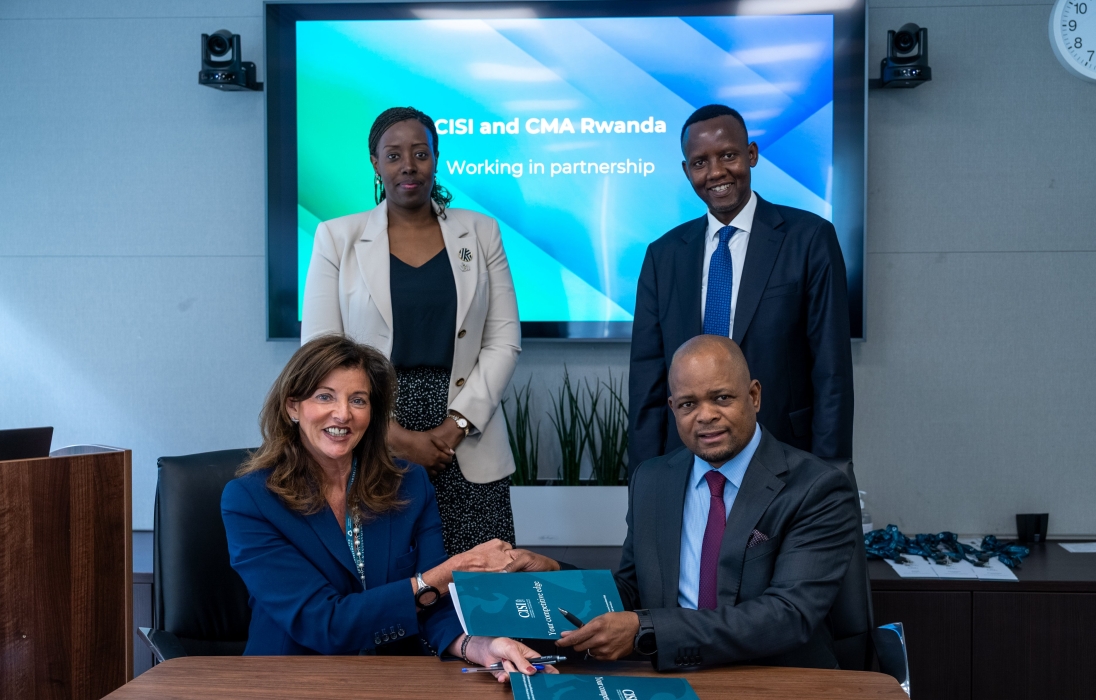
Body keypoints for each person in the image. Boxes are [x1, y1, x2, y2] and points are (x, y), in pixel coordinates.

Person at [515, 336, 858, 670]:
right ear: (673, 408)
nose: (705, 416)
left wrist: (648, 629)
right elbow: (631, 590)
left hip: (773, 678)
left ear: (754, 396)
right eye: (688, 404)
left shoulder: (816, 487)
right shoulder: (652, 480)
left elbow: (788, 616)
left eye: (721, 398)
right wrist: (555, 575)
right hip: (670, 675)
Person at [221, 335, 550, 682]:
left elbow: (433, 603)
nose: (343, 414)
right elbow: (323, 623)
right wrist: (450, 571)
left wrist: (479, 645)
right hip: (293, 680)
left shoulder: (410, 483)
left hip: (396, 677)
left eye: (358, 400)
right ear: (292, 407)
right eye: (324, 396)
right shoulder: (250, 500)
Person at [301, 106, 522, 555]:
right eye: (394, 154)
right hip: (373, 429)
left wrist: (455, 425)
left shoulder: (481, 232)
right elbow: (320, 353)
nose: (408, 165)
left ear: (436, 158)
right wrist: (391, 432)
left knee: (482, 583)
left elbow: (503, 340)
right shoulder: (336, 237)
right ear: (375, 163)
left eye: (420, 153)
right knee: (390, 579)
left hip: (466, 432)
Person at [628, 104, 854, 472]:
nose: (715, 172)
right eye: (700, 162)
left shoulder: (809, 239)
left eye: (728, 155)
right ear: (687, 171)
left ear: (751, 155)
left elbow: (832, 371)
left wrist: (829, 470)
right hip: (687, 459)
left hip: (785, 451)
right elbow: (646, 382)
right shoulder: (663, 256)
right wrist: (644, 479)